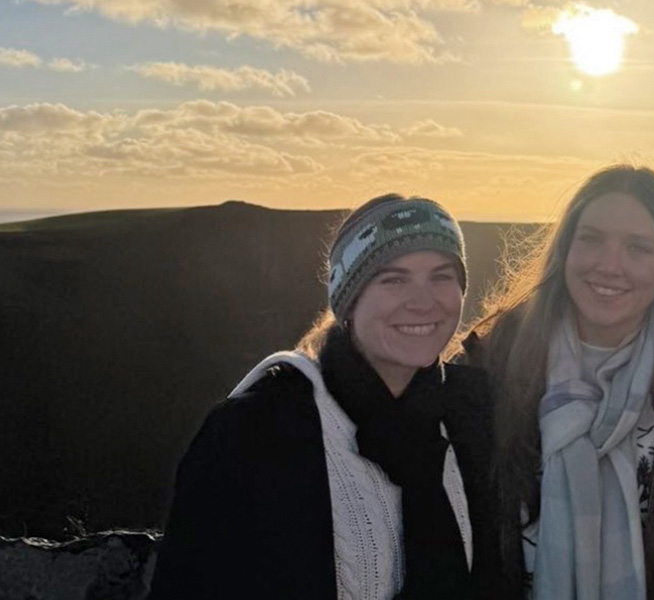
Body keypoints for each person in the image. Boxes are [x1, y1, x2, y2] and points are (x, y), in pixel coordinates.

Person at [149, 194, 494, 600]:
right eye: (393, 279)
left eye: (441, 276)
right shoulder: (256, 430)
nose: (422, 301)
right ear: (349, 300)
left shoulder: (472, 414)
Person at [461, 165, 654, 600]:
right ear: (565, 251)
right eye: (591, 239)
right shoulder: (493, 366)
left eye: (638, 248)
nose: (610, 265)